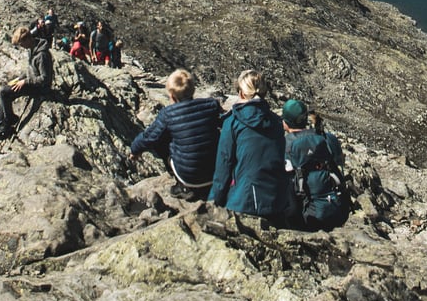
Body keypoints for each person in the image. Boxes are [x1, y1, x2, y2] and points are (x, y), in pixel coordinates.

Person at [129, 69, 223, 201]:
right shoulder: (211, 105)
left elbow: (149, 137)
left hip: (190, 178)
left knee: (161, 139)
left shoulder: (167, 114)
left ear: (172, 96)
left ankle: (183, 186)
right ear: (193, 90)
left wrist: (135, 149)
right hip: (217, 172)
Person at [208, 70, 288, 221]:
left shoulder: (232, 122)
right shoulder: (277, 122)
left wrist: (213, 202)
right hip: (278, 200)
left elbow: (224, 166)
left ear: (242, 94)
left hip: (245, 201)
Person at [281, 99, 348, 231]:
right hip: (337, 209)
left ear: (285, 122)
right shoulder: (327, 138)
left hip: (303, 216)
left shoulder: (284, 144)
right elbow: (339, 164)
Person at [0, 25, 54, 140]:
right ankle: (0, 124)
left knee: (4, 92)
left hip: (41, 88)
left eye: (21, 43)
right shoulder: (32, 49)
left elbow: (45, 78)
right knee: (5, 91)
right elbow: (30, 69)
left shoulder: (42, 55)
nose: (22, 47)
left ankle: (5, 126)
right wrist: (18, 79)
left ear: (28, 39)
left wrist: (25, 81)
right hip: (32, 83)